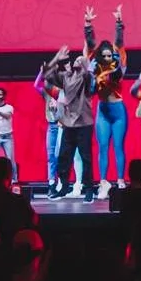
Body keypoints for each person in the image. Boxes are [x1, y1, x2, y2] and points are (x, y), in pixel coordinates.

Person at [46, 45, 98, 202]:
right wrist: (57, 58)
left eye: (80, 59)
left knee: (85, 158)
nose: (77, 60)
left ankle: (89, 189)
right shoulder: (66, 77)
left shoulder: (86, 78)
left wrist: (87, 61)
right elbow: (47, 74)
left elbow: (90, 74)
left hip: (84, 124)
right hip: (68, 124)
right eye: (76, 59)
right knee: (63, 157)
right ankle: (63, 186)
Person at [86, 5, 128, 200]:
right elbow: (90, 44)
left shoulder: (119, 66)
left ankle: (120, 181)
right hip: (102, 111)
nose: (106, 57)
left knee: (118, 146)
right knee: (103, 147)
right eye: (103, 55)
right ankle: (103, 182)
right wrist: (88, 25)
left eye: (109, 55)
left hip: (118, 111)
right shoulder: (96, 68)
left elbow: (119, 43)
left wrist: (119, 23)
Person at [35, 62, 83, 197]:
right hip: (53, 126)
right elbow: (36, 86)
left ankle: (71, 183)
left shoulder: (67, 93)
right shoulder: (49, 94)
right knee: (53, 155)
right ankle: (55, 183)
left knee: (68, 155)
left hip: (66, 126)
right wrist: (41, 72)